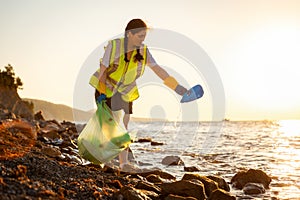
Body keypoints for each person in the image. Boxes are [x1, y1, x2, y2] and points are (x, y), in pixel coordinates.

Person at [90, 19, 187, 169]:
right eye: (140, 36)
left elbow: (157, 69)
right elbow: (103, 70)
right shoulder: (114, 46)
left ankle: (123, 163)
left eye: (144, 36)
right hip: (106, 88)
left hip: (125, 92)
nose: (143, 39)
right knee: (113, 125)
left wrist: (177, 87)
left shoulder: (143, 50)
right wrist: (102, 92)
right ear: (129, 34)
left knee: (124, 125)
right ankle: (113, 160)